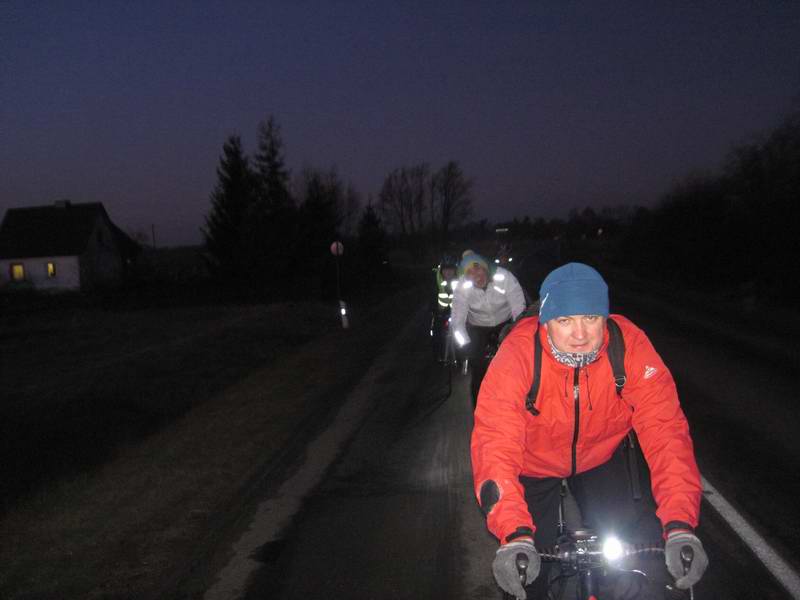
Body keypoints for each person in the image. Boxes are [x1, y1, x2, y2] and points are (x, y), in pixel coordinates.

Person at [471, 262, 708, 600]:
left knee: (629, 568)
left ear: (606, 318)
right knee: (528, 576)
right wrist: (514, 533)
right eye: (565, 320)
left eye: (591, 319)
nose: (580, 334)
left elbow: (666, 432)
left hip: (601, 456)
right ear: (545, 321)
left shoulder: (628, 346)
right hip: (533, 465)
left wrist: (680, 525)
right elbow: (494, 444)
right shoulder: (518, 356)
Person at [451, 249, 526, 403]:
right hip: (478, 327)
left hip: (505, 323)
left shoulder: (504, 276)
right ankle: (480, 409)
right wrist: (465, 345)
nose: (476, 274)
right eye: (469, 272)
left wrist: (518, 334)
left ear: (485, 266)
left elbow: (518, 307)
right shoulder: (461, 287)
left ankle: (519, 401)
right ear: (465, 276)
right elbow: (457, 320)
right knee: (478, 370)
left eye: (477, 267)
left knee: (516, 363)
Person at [430, 257, 458, 362]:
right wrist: (434, 310)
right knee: (436, 332)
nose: (448, 271)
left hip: (458, 313)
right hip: (440, 313)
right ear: (441, 271)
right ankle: (437, 355)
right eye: (446, 269)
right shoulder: (436, 282)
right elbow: (431, 297)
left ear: (455, 270)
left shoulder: (461, 280)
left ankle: (464, 356)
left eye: (451, 269)